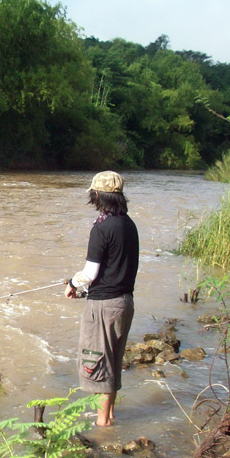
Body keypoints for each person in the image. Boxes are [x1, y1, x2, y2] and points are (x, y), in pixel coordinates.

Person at [65, 171, 139, 427]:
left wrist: (73, 285)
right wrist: (84, 290)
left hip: (104, 307)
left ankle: (102, 423)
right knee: (113, 360)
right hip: (124, 303)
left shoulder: (101, 228)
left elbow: (90, 273)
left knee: (97, 361)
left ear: (97, 195)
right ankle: (107, 415)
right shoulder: (128, 224)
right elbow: (114, 270)